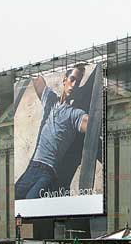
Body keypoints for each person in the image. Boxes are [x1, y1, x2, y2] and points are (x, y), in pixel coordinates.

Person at [15, 65, 91, 200]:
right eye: (72, 79)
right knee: (14, 203)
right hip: (32, 167)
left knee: (30, 205)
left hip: (48, 172)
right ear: (64, 80)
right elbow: (35, 76)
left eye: (77, 83)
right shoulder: (49, 99)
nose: (73, 85)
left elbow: (93, 124)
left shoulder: (75, 114)